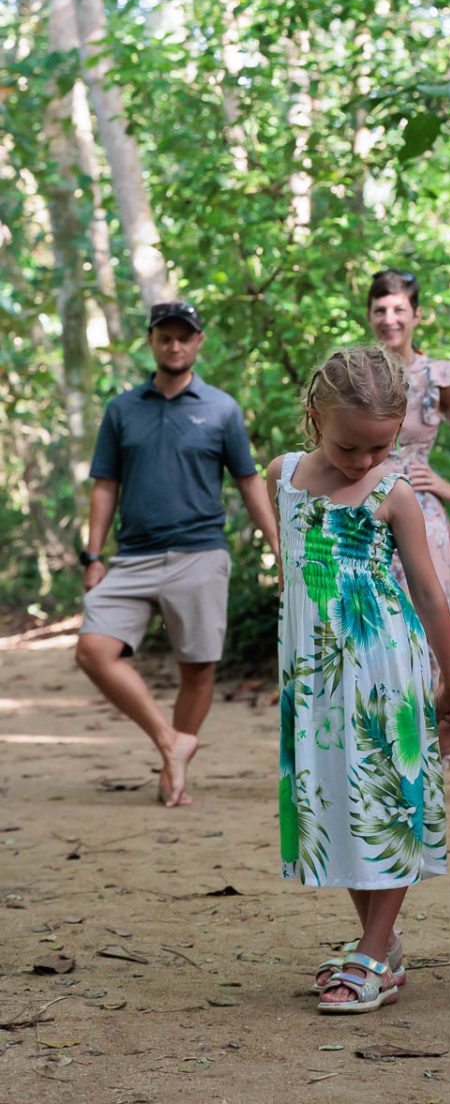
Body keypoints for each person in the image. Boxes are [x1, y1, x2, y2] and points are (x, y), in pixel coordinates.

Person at [266, 346, 450, 1015]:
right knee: (340, 811)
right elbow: (295, 571)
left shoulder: (395, 493)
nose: (364, 463)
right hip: (315, 680)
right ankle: (379, 944)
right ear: (316, 415)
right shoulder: (283, 477)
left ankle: (373, 951)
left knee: (385, 810)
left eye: (379, 449)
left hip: (384, 675)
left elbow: (432, 596)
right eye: (351, 447)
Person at [75, 301, 279, 809]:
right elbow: (105, 485)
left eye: (183, 337)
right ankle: (170, 741)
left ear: (198, 342)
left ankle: (174, 772)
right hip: (133, 556)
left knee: (198, 668)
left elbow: (249, 482)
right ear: (152, 341)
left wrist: (281, 545)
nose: (174, 345)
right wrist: (93, 554)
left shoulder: (222, 409)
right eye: (165, 337)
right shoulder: (122, 410)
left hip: (200, 554)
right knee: (93, 650)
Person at [366, 269, 450, 767]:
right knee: (375, 620)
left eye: (398, 309)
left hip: (421, 507)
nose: (389, 319)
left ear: (416, 315)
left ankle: (448, 737)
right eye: (380, 310)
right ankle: (388, 735)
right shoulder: (361, 371)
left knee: (432, 614)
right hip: (365, 510)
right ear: (369, 316)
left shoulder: (439, 376)